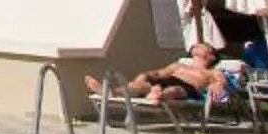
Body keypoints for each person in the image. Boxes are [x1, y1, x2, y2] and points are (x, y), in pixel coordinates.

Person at [90, 42, 227, 108]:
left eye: (202, 46)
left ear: (211, 56)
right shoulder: (179, 66)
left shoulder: (213, 72)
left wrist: (218, 85)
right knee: (140, 85)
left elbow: (221, 82)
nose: (197, 45)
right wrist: (145, 74)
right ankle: (110, 92)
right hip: (168, 80)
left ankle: (158, 95)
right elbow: (159, 73)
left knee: (175, 90)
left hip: (189, 88)